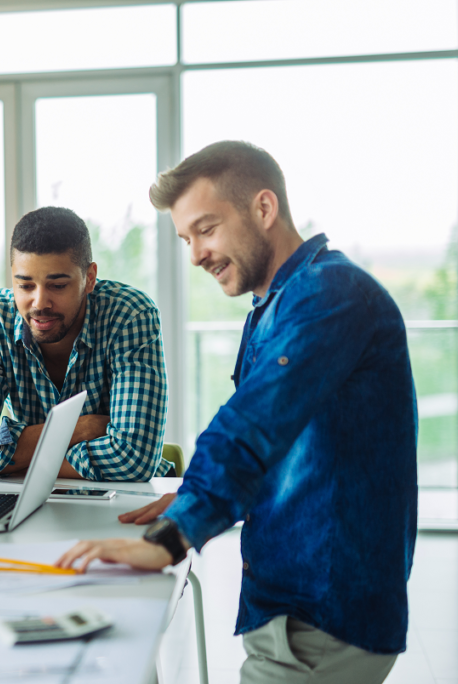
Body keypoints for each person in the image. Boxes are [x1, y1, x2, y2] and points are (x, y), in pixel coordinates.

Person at [58, 141, 417, 684]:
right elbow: (288, 447)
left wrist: (173, 535)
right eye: (186, 239)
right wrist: (192, 498)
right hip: (293, 605)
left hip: (320, 615)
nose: (197, 254)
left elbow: (250, 426)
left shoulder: (330, 294)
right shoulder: (276, 304)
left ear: (264, 209)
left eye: (206, 229)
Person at [0, 206, 170, 481]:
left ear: (90, 278)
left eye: (58, 285)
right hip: (33, 499)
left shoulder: (129, 315)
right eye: (25, 286)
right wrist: (77, 428)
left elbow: (134, 459)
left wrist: (18, 463)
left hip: (129, 497)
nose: (39, 303)